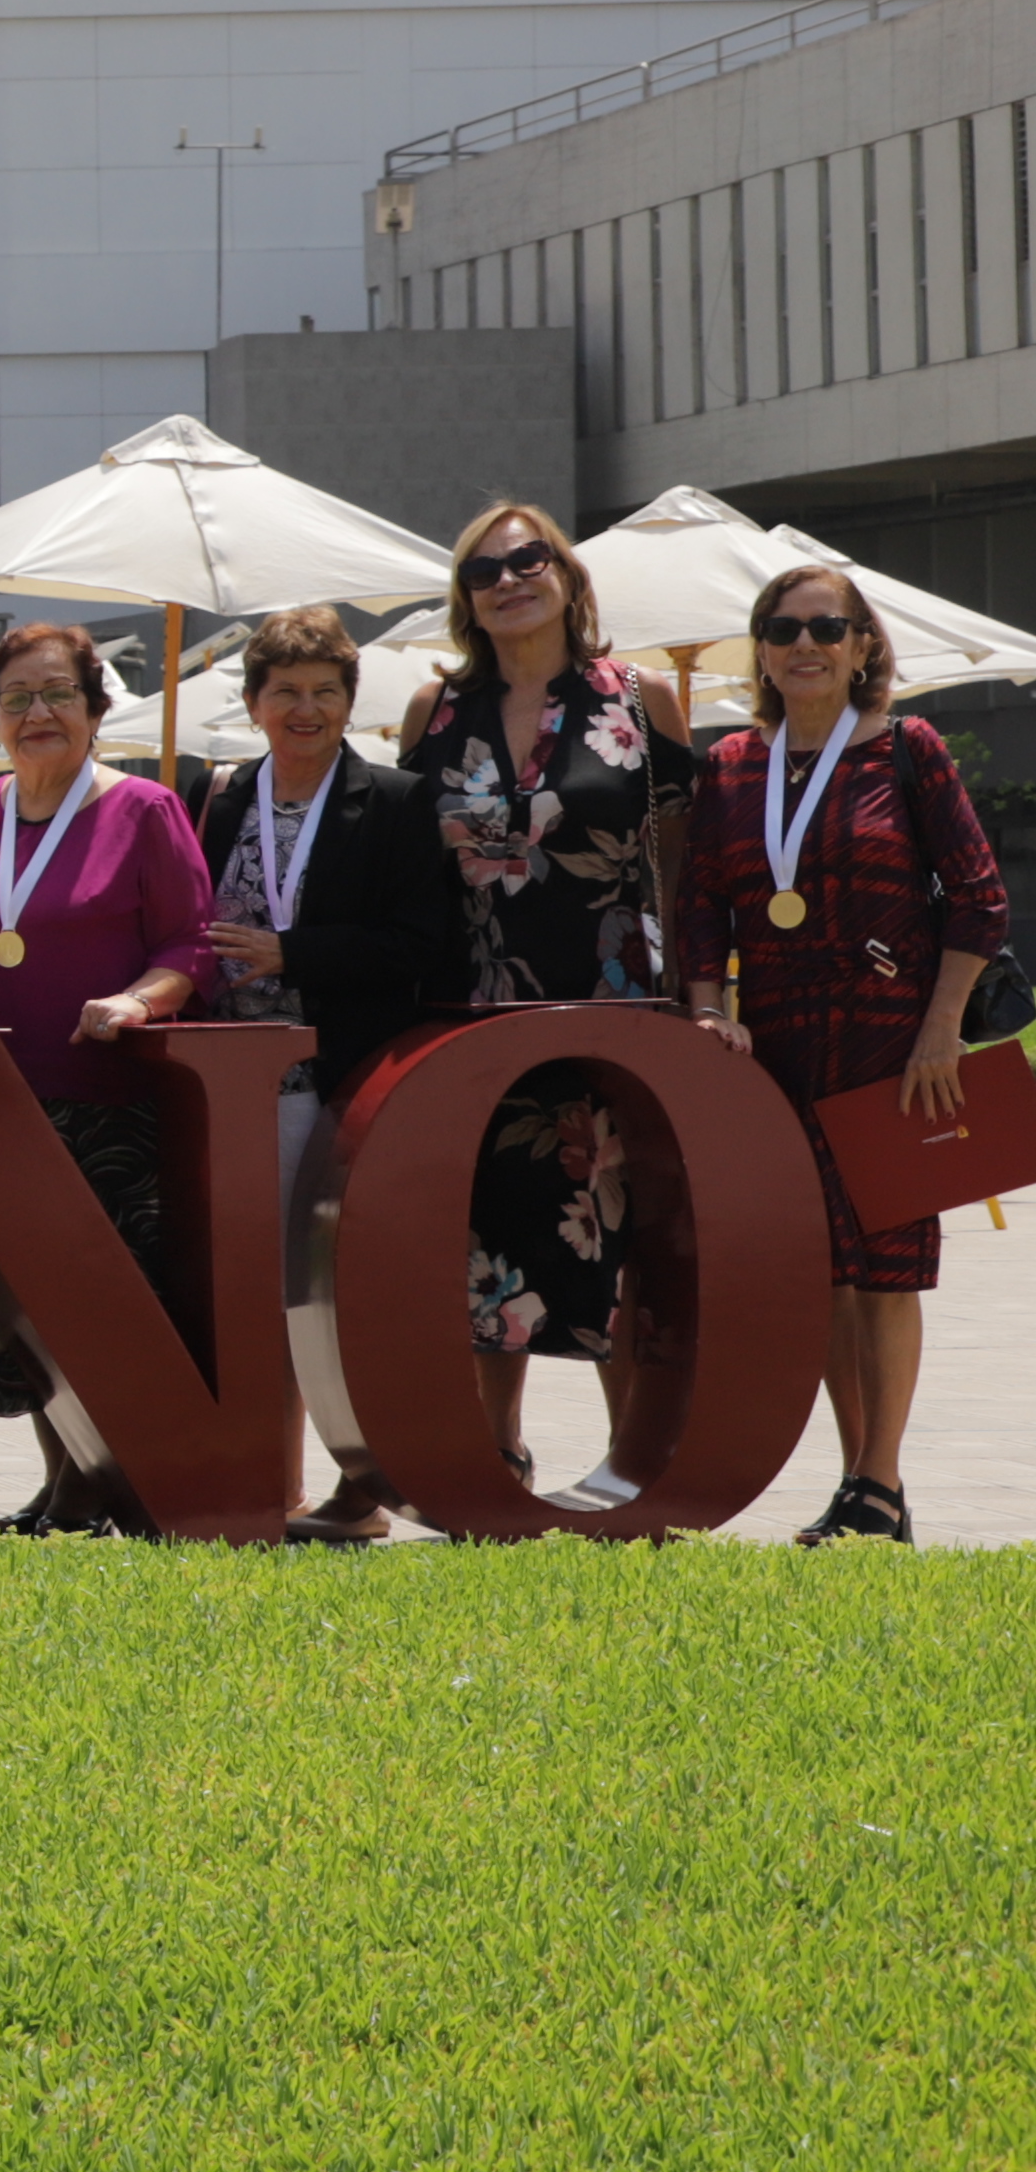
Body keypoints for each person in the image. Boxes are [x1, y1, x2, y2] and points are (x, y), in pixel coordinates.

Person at [675, 560, 1008, 1547]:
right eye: (783, 630)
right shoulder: (731, 764)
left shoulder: (909, 747)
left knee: (889, 1266)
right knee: (821, 1266)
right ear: (762, 650)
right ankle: (867, 1487)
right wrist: (705, 1008)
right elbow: (700, 907)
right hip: (776, 1043)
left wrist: (941, 1027)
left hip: (895, 1044)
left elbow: (981, 898)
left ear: (864, 644)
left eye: (828, 628)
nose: (805, 646)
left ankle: (881, 1474)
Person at [401, 497, 689, 1488]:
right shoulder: (435, 711)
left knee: (616, 1224)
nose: (510, 580)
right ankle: (498, 1450)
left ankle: (633, 1457)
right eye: (485, 571)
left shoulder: (640, 698)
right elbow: (415, 878)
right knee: (490, 1228)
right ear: (465, 600)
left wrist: (699, 994)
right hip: (473, 1009)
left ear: (567, 576)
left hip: (614, 1004)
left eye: (529, 560)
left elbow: (681, 862)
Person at [0, 621, 222, 1534]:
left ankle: (116, 1483)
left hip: (106, 1100)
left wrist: (139, 999)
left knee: (104, 1305)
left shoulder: (142, 809)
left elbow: (191, 943)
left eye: (58, 694)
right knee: (24, 1307)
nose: (38, 712)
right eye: (17, 698)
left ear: (97, 710)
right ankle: (69, 1482)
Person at [185, 605, 463, 1540]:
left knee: (329, 1295)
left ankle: (363, 1487)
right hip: (228, 1087)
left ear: (351, 702)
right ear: (254, 702)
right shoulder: (217, 795)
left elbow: (422, 945)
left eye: (325, 693)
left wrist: (290, 955)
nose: (305, 710)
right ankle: (268, 1479)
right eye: (285, 692)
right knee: (248, 1294)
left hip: (339, 1080)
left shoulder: (395, 800)